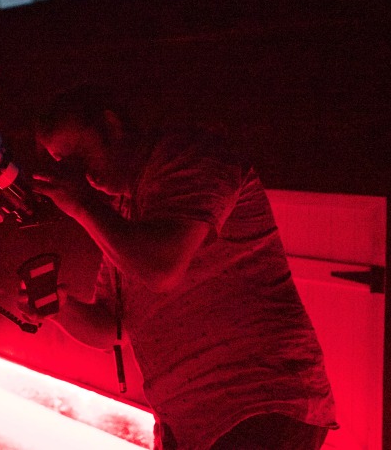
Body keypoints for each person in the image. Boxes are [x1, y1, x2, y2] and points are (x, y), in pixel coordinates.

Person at [22, 85, 337, 450]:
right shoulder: (125, 213)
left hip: (260, 404)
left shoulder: (192, 158)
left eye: (76, 156)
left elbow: (161, 269)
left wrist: (81, 207)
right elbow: (113, 327)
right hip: (189, 424)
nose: (77, 173)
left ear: (110, 125)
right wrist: (58, 308)